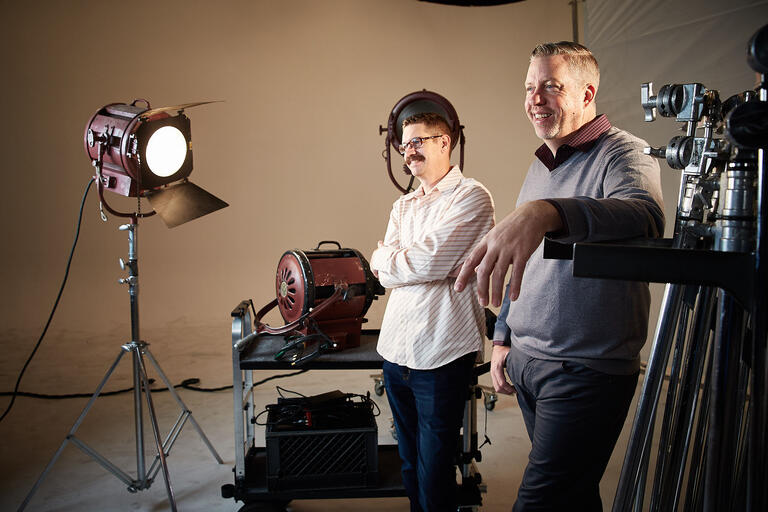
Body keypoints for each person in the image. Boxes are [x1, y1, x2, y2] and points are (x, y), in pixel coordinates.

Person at [454, 42, 665, 511]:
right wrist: (504, 337)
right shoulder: (541, 167)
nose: (535, 98)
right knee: (573, 495)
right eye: (530, 88)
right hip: (529, 361)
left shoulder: (623, 153)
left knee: (541, 500)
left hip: (584, 371)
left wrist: (546, 211)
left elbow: (643, 216)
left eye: (551, 86)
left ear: (587, 92)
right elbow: (522, 259)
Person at [370, 112, 495, 512]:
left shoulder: (473, 197)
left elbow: (425, 263)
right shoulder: (402, 206)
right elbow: (384, 274)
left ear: (446, 142)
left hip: (441, 354)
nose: (409, 152)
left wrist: (394, 259)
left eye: (418, 142)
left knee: (436, 466)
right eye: (405, 145)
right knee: (408, 461)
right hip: (394, 353)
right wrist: (394, 261)